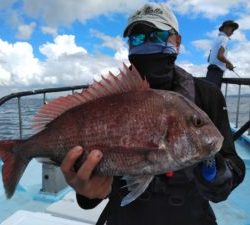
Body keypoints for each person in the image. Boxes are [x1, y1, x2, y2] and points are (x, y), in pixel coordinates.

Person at [60, 3, 245, 225]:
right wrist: (87, 191)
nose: (147, 43)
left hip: (191, 215)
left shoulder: (207, 94)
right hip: (126, 214)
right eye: (137, 38)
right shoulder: (107, 101)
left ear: (177, 41)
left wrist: (217, 175)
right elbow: (91, 194)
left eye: (158, 35)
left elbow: (232, 163)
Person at [206, 20, 239, 88]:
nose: (232, 32)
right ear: (225, 28)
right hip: (216, 73)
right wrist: (229, 63)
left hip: (210, 72)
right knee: (214, 95)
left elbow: (209, 59)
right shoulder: (224, 38)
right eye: (232, 29)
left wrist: (225, 64)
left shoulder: (217, 39)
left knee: (208, 94)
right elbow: (220, 56)